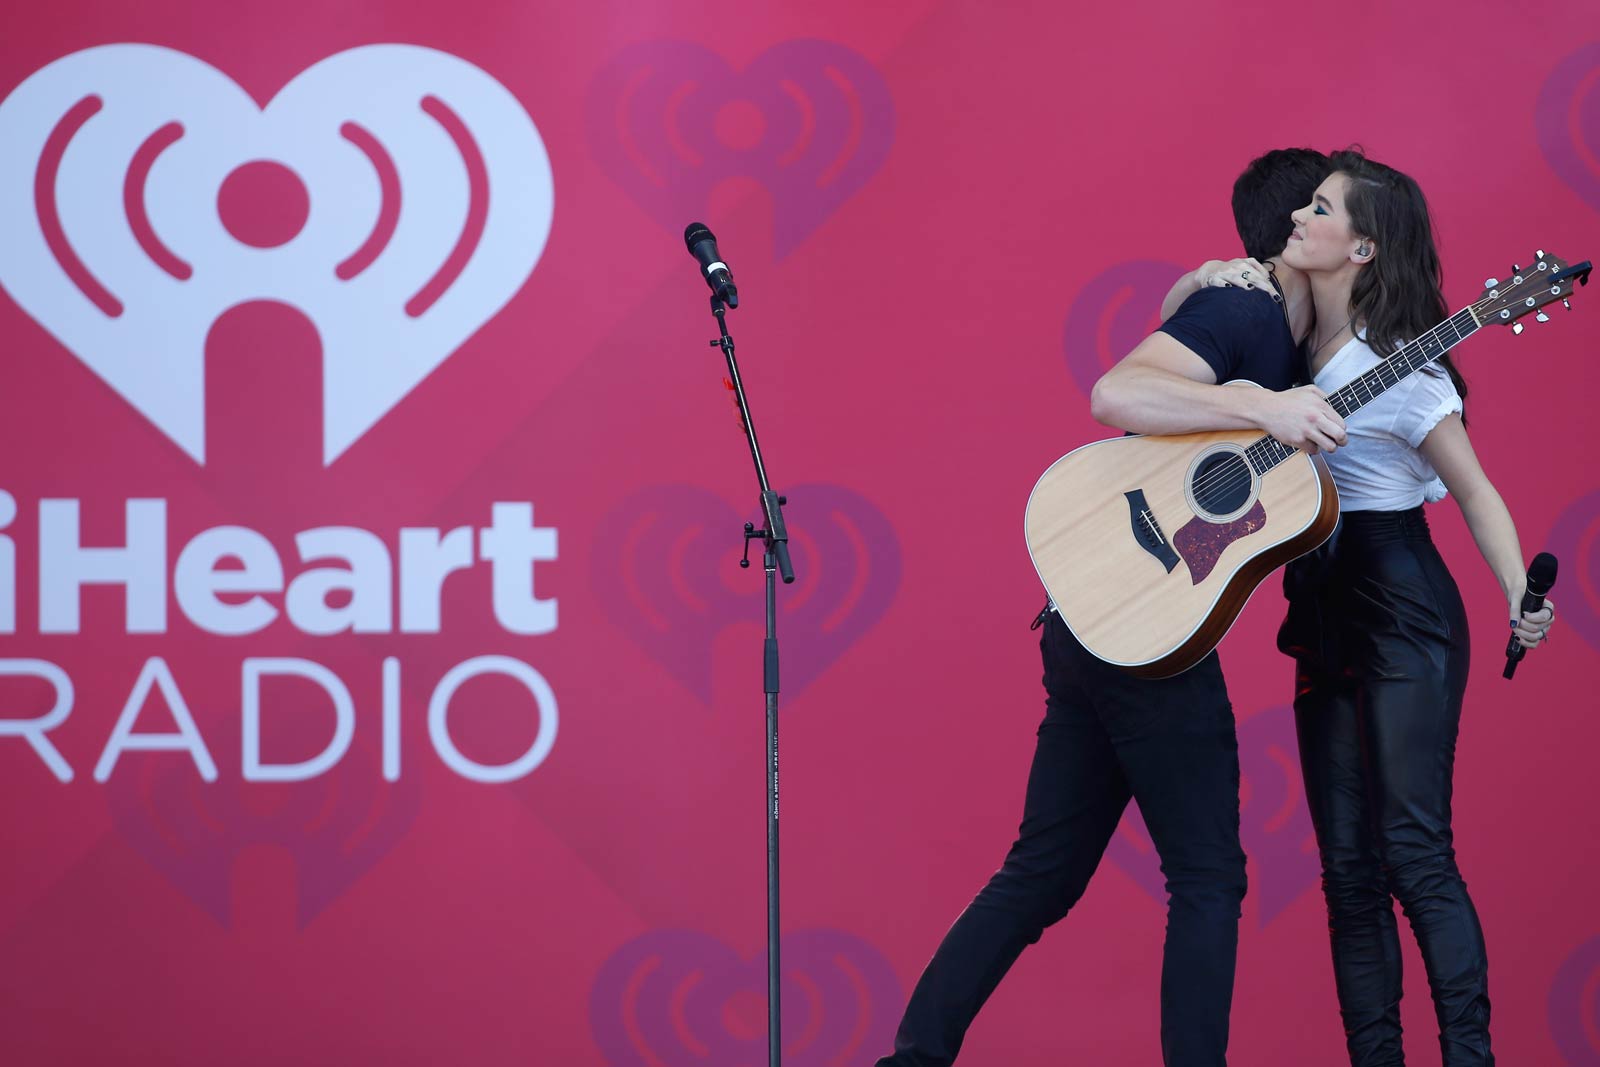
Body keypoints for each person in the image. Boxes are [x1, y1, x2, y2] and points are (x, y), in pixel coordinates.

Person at [875, 148, 1342, 1067]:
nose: (1343, 224)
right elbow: (1114, 391)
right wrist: (1252, 396)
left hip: (1107, 625)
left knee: (1042, 875)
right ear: (1296, 232)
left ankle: (911, 1058)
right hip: (1134, 634)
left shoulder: (1278, 327)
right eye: (1328, 207)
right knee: (1208, 877)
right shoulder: (1245, 306)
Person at [1264, 149, 1552, 1065]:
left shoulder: (1402, 366)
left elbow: (1474, 491)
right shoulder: (1292, 342)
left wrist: (1517, 594)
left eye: (1320, 208)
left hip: (1402, 608)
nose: (1300, 218)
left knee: (1412, 852)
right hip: (1322, 606)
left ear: (1362, 249)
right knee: (1347, 875)